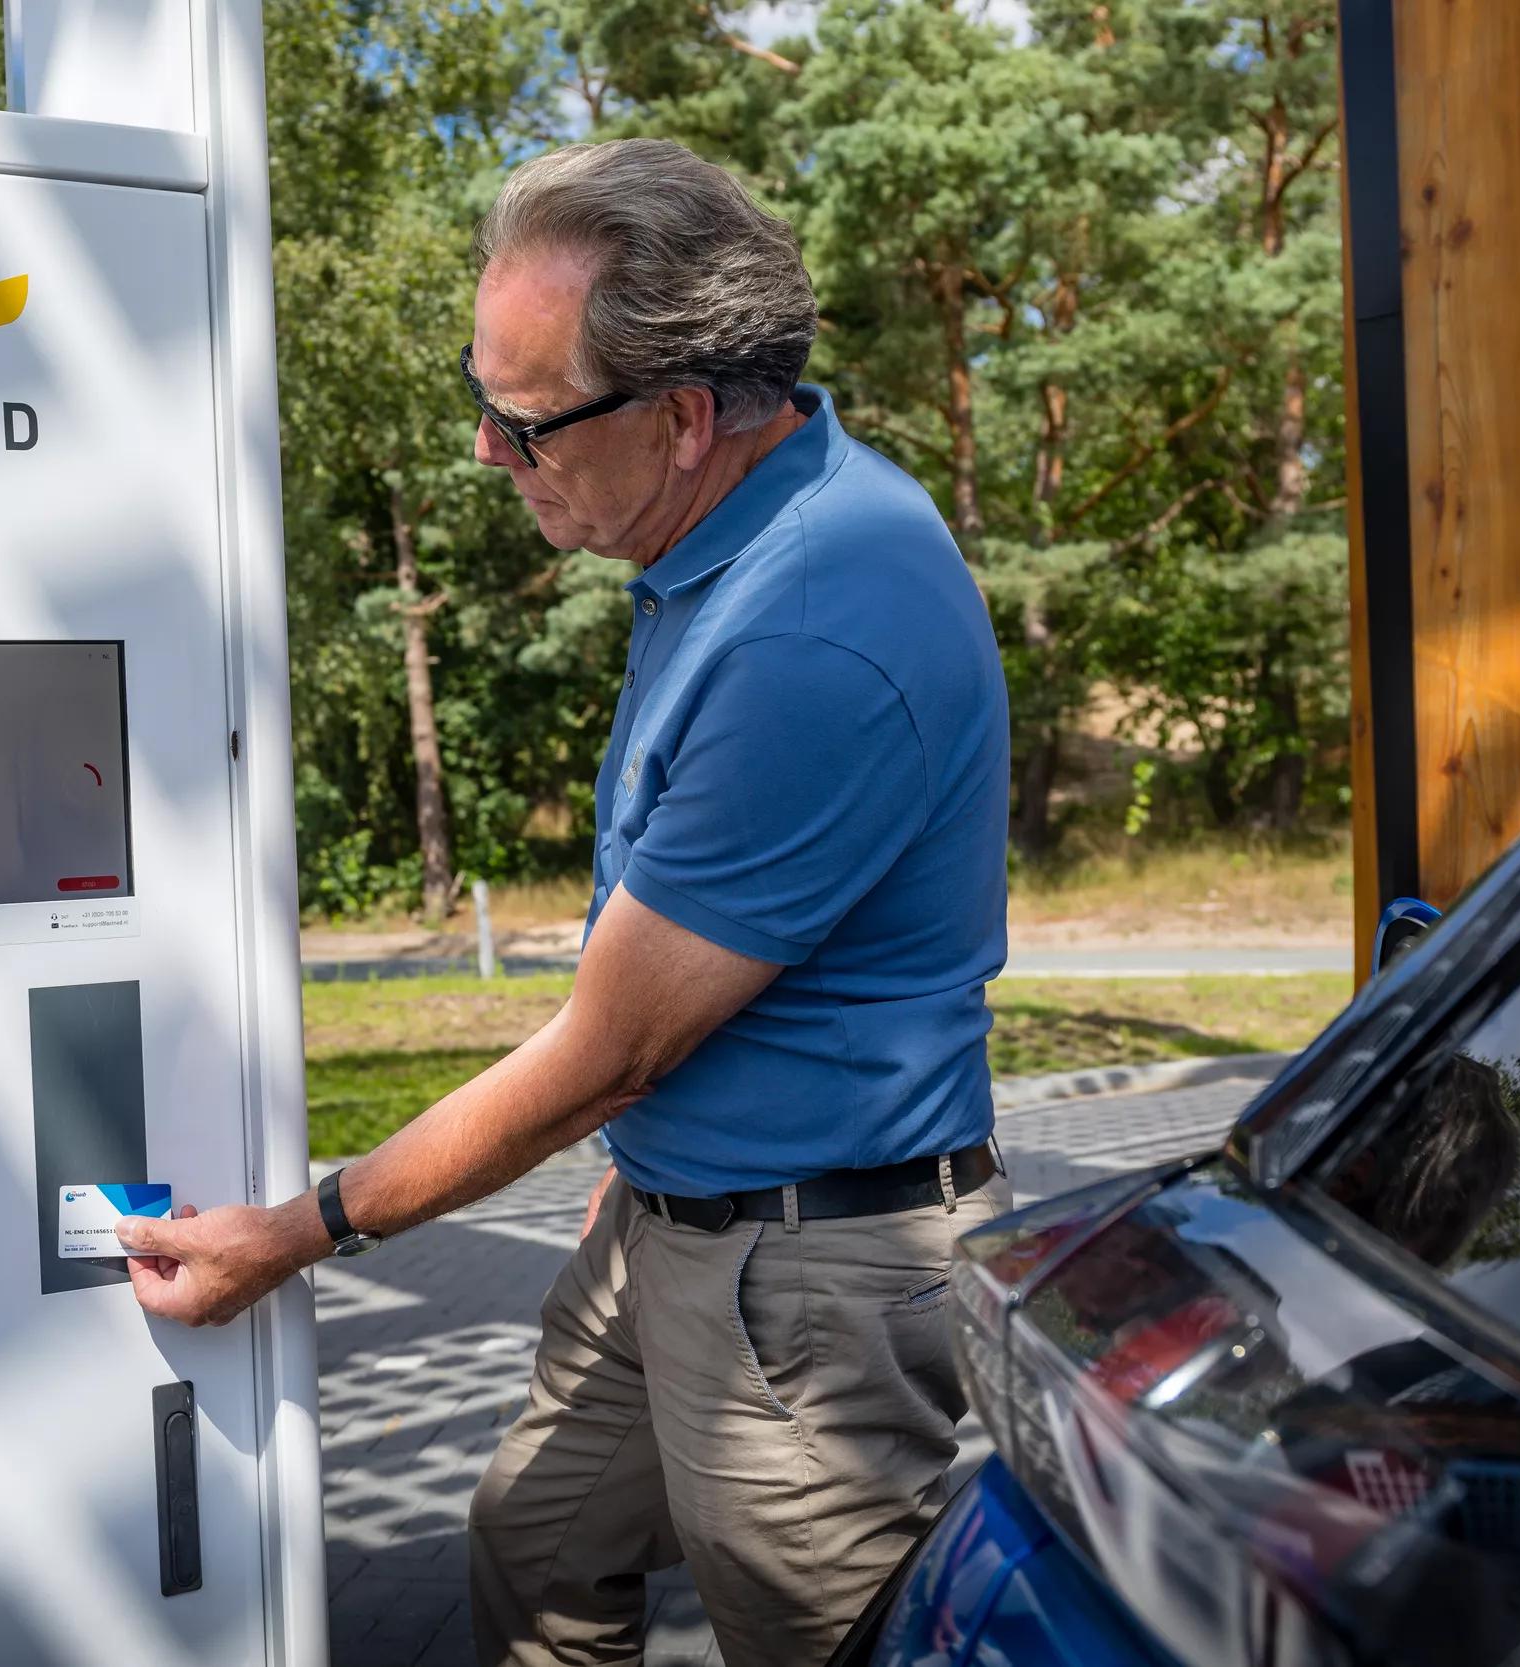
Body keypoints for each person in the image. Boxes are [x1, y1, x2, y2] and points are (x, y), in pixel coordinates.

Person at [114, 137, 1014, 1664]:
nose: (486, 453)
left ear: (678, 419)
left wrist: (297, 1229)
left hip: (801, 1275)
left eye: (521, 422)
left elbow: (611, 1046)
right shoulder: (724, 541)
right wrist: (645, 1150)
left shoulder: (815, 620)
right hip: (681, 1204)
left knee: (823, 1639)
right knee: (537, 1551)